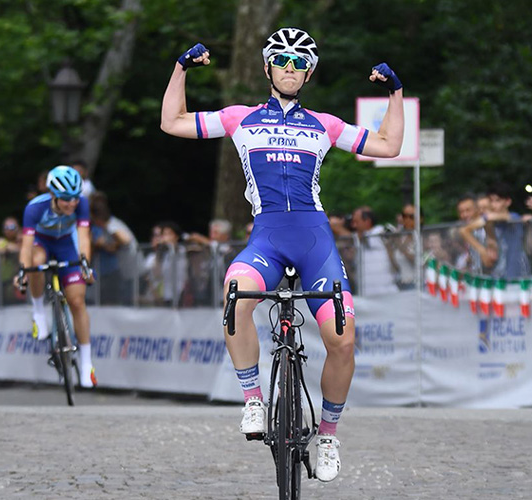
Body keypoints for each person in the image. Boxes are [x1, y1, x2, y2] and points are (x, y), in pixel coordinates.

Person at [160, 27, 404, 482]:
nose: (290, 69)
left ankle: (327, 436)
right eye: (282, 61)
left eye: (299, 63)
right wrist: (180, 69)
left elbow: (389, 146)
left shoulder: (325, 124)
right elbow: (172, 122)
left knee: (342, 340)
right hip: (267, 241)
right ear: (267, 68)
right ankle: (254, 399)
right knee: (235, 297)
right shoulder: (240, 118)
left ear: (308, 73)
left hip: (315, 243)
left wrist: (395, 93)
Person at [13, 166, 97, 388]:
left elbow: (83, 238)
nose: (72, 203)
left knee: (77, 301)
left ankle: (87, 363)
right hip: (41, 243)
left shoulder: (82, 204)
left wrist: (85, 264)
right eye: (66, 199)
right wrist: (22, 271)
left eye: (75, 198)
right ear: (52, 195)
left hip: (66, 244)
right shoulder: (35, 208)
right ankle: (38, 311)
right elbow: (26, 246)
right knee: (37, 262)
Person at [351, 206, 397, 295]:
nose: (354, 226)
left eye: (356, 222)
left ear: (367, 221)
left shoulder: (378, 232)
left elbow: (389, 233)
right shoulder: (356, 238)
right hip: (365, 294)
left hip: (386, 292)